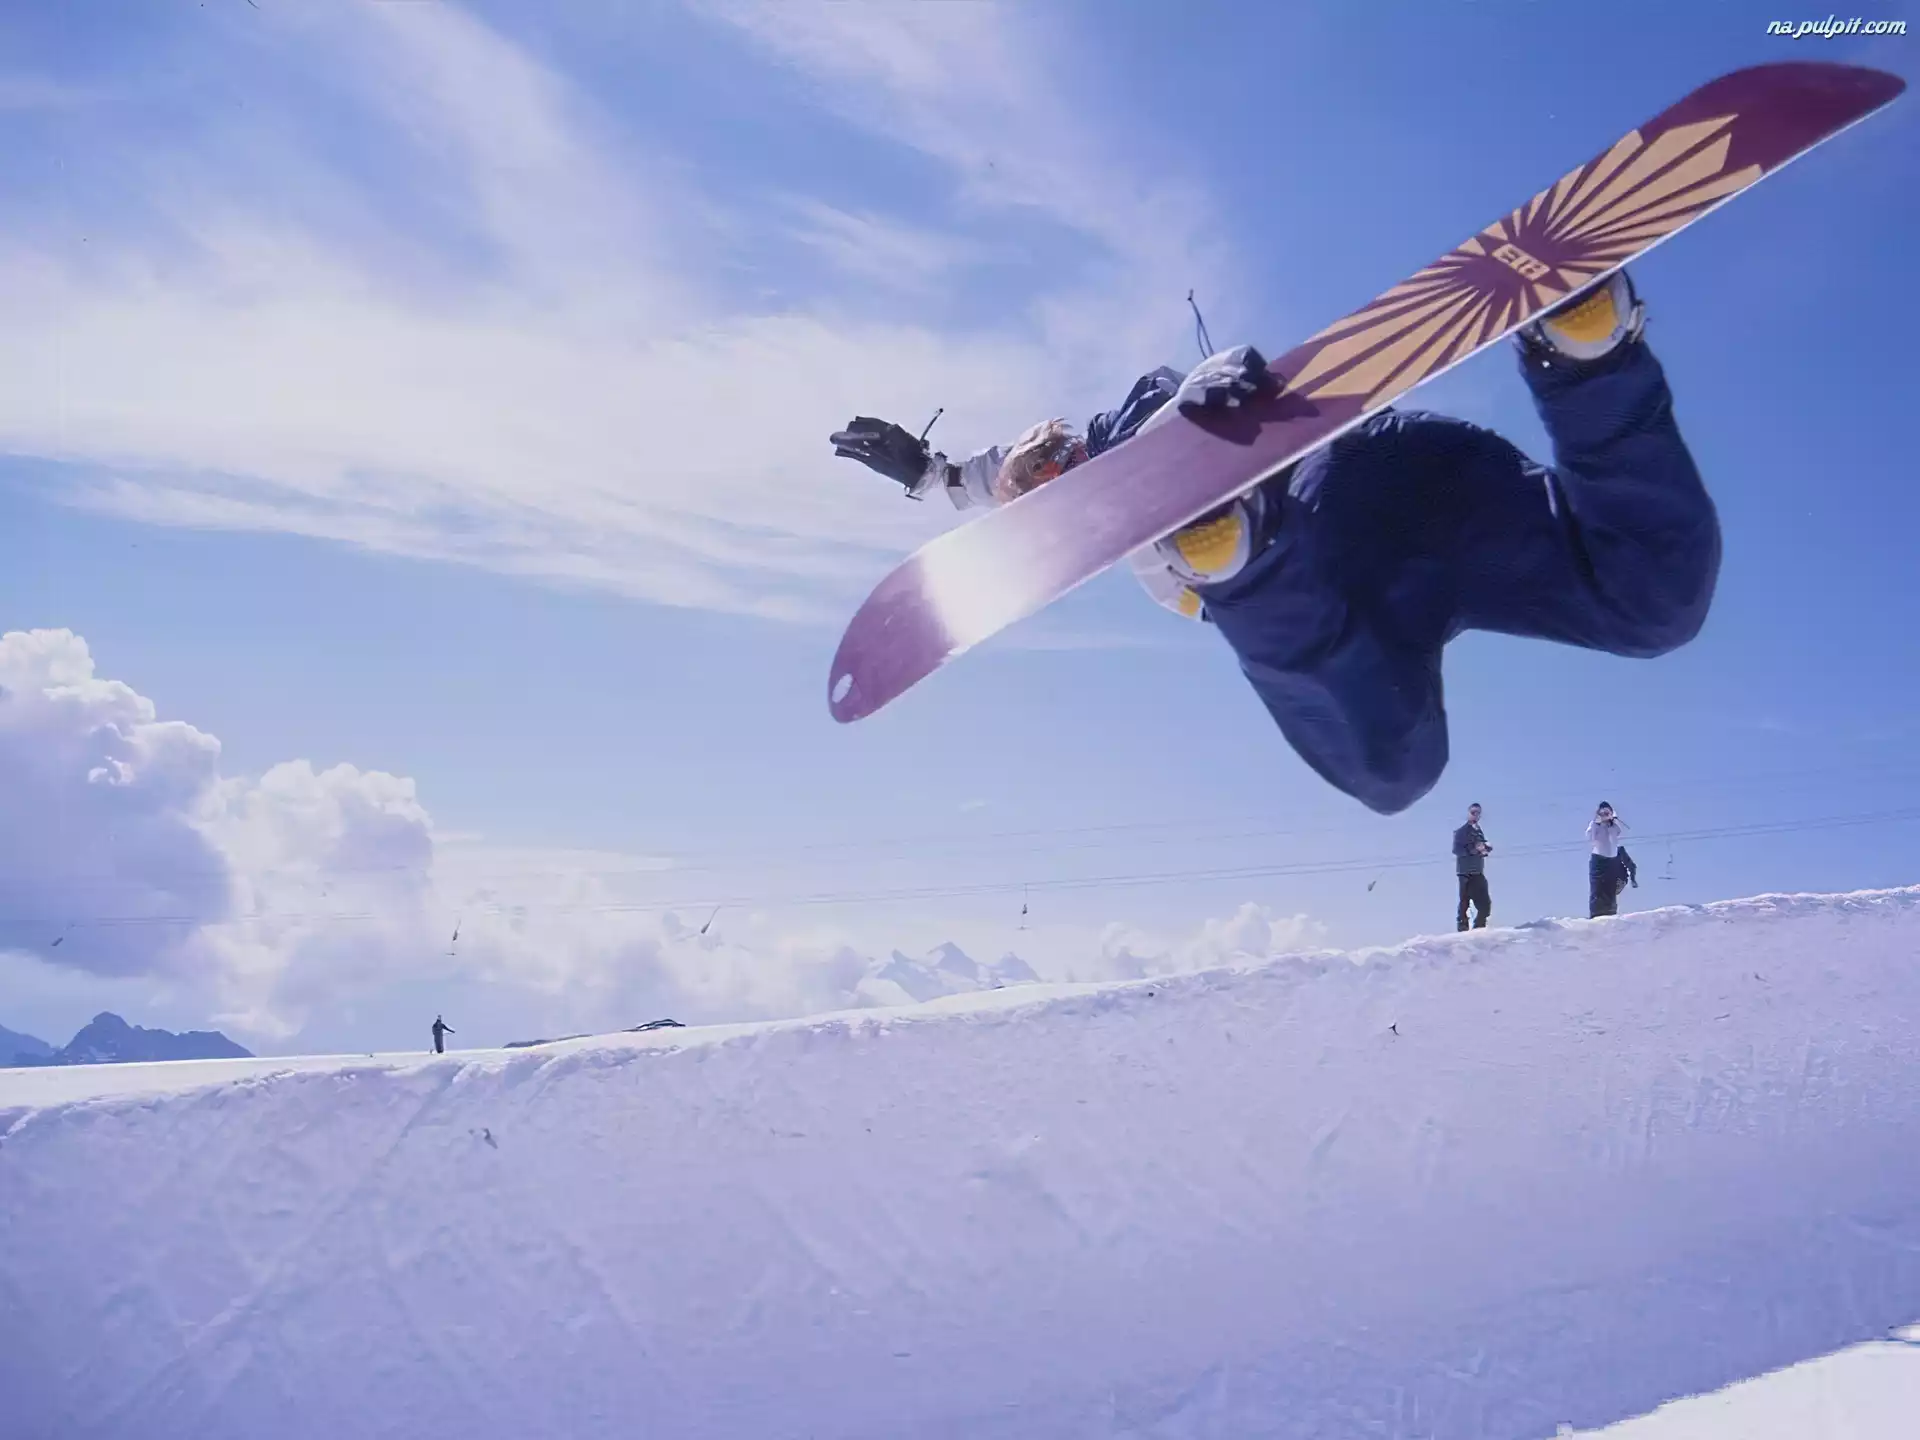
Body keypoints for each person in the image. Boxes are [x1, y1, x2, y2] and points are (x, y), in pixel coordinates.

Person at [830, 270, 1719, 816]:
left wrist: (1191, 428)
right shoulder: (1104, 489)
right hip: (1430, 492)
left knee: (1386, 768)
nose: (1061, 485)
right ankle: (1588, 354)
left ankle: (1237, 551)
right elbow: (1014, 473)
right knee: (1654, 602)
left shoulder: (1127, 434)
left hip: (1324, 541)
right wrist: (932, 474)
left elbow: (1073, 449)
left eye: (1058, 472)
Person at [1453, 801, 1492, 931]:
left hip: (1478, 871)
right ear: (1469, 813)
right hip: (1466, 872)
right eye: (1473, 812)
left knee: (1485, 904)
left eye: (1478, 813)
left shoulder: (1478, 831)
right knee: (1465, 902)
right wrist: (1472, 850)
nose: (1476, 815)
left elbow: (1482, 847)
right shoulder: (1462, 831)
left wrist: (1485, 848)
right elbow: (1457, 850)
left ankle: (1479, 928)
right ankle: (1463, 929)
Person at [1586, 803, 1631, 918]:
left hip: (1612, 860)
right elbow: (1590, 837)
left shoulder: (1614, 827)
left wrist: (1613, 820)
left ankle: (1611, 913)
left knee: (1611, 889)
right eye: (1602, 813)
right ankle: (1596, 915)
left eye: (1607, 813)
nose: (1605, 815)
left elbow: (1620, 834)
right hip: (1599, 860)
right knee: (1598, 889)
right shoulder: (1595, 826)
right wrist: (1596, 823)